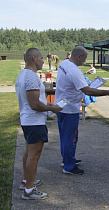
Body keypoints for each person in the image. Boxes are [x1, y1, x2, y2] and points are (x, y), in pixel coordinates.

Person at [55, 46, 109, 175]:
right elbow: (87, 91)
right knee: (70, 138)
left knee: (64, 136)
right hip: (70, 109)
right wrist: (107, 92)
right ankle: (69, 166)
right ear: (79, 57)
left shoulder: (64, 63)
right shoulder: (74, 70)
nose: (84, 61)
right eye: (84, 58)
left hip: (61, 105)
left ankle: (67, 159)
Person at [15, 48, 63, 200]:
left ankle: (26, 181)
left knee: (29, 152)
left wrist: (48, 107)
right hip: (34, 122)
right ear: (34, 58)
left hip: (28, 120)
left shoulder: (23, 74)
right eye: (41, 58)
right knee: (34, 156)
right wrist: (52, 107)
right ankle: (29, 190)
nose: (43, 60)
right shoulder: (31, 77)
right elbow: (35, 104)